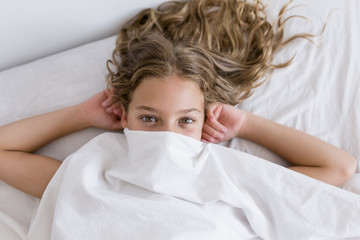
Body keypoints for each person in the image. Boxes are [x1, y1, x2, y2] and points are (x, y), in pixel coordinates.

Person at [0, 0, 356, 199]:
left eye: (186, 120)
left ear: (205, 123)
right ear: (124, 117)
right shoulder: (92, 175)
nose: (167, 136)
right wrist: (81, 115)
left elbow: (339, 167)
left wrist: (247, 124)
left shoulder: (226, 180)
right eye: (149, 119)